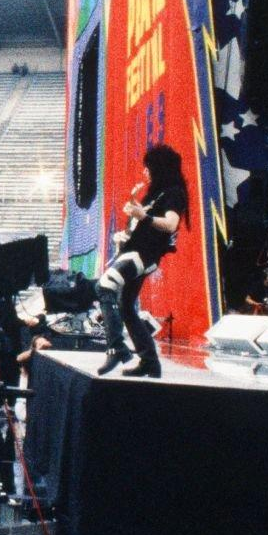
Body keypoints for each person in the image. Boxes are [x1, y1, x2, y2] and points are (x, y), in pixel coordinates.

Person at [96, 145, 189, 379]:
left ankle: (116, 347)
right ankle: (150, 362)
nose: (145, 172)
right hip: (137, 251)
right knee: (126, 306)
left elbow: (170, 224)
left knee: (104, 286)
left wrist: (142, 216)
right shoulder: (155, 194)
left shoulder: (173, 193)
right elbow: (145, 227)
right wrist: (126, 234)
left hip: (144, 255)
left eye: (148, 168)